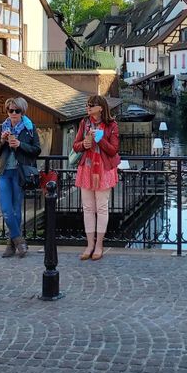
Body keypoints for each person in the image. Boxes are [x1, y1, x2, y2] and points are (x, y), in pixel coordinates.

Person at [0, 96, 41, 258]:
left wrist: (20, 145)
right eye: (10, 110)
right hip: (5, 172)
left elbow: (36, 150)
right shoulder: (2, 127)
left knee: (16, 210)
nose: (13, 113)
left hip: (19, 173)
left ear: (22, 111)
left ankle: (11, 245)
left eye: (17, 110)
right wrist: (3, 141)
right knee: (6, 210)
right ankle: (19, 240)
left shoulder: (29, 127)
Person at [72, 95, 120, 261]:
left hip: (104, 170)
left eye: (91, 105)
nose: (88, 108)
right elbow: (75, 145)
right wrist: (83, 145)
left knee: (101, 208)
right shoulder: (84, 123)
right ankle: (89, 245)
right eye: (87, 105)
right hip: (87, 168)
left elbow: (113, 150)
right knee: (88, 208)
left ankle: (99, 244)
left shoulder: (111, 125)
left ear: (101, 108)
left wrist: (100, 139)